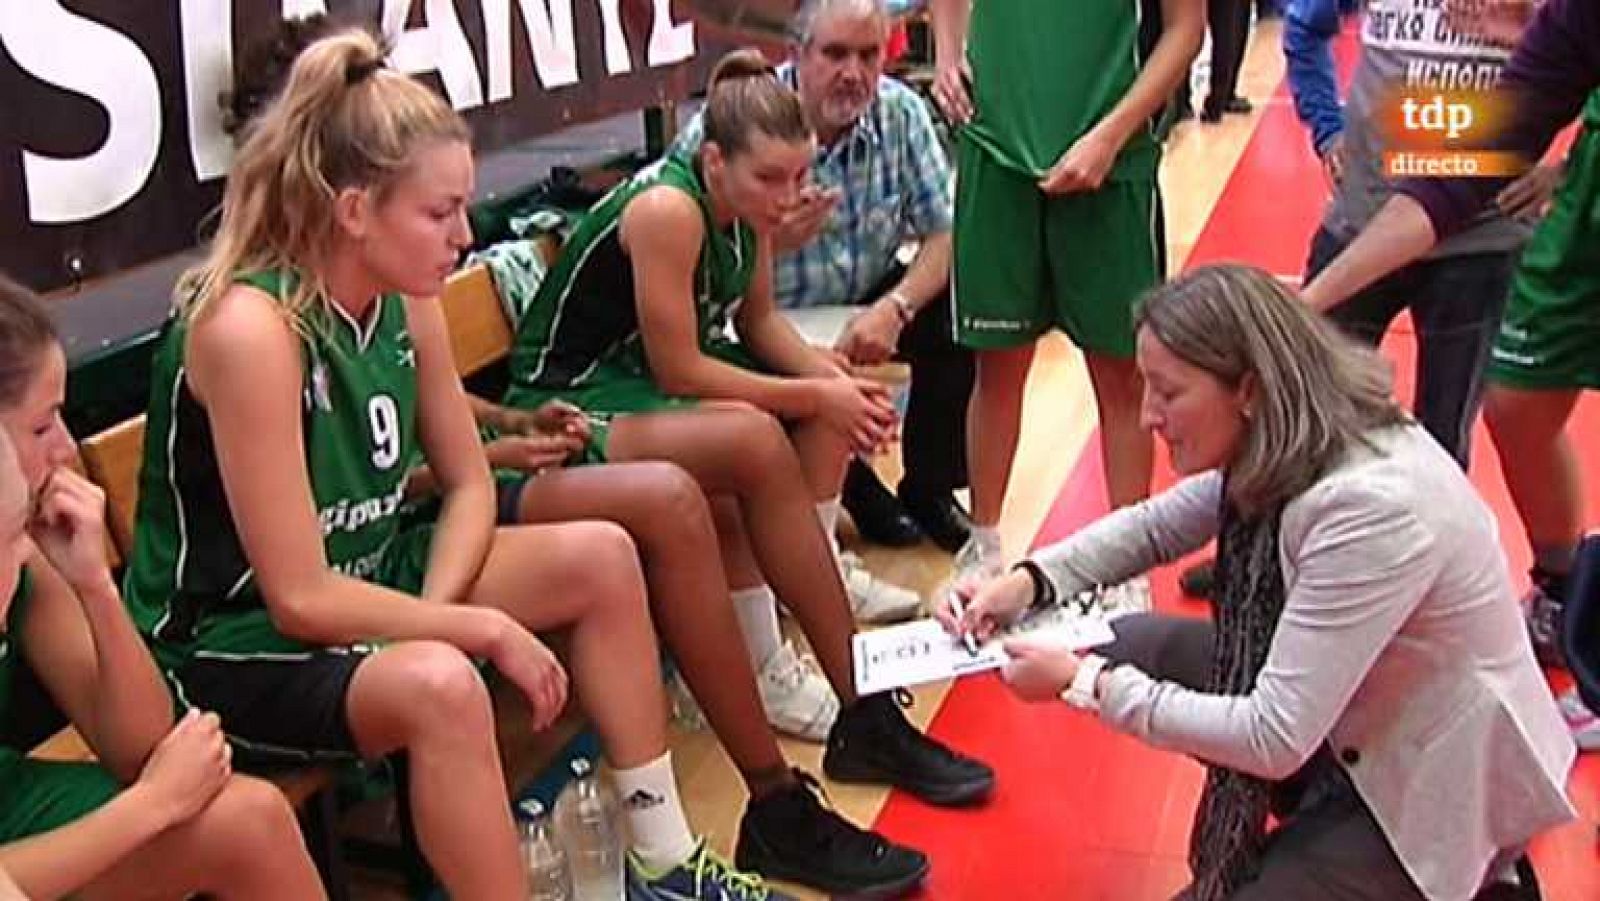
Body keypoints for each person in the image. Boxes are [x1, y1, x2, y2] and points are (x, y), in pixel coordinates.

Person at [121, 29, 779, 901]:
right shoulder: (251, 328)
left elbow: (469, 484)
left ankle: (660, 859)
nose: (465, 237)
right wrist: (469, 629)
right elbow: (301, 596)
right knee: (443, 687)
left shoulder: (401, 296)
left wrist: (431, 613)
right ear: (354, 210)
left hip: (366, 586)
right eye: (441, 213)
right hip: (228, 646)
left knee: (601, 557)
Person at [948, 264, 1575, 900]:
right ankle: (1325, 821)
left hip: (1436, 779)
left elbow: (1272, 736)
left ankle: (1484, 881)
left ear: (1246, 387)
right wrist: (1029, 582)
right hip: (1366, 715)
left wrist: (1084, 683)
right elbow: (1154, 527)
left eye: (1167, 392)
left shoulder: (1369, 509)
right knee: (1131, 639)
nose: (1146, 416)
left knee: (1138, 680)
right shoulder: (1296, 437)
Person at [499, 49, 996, 810]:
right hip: (570, 393)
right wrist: (809, 394)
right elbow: (681, 373)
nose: (788, 195)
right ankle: (847, 690)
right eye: (769, 178)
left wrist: (830, 384)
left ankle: (814, 663)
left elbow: (760, 322)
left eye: (798, 176)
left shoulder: (747, 209)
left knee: (825, 389)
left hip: (638, 382)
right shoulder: (669, 209)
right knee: (756, 434)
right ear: (712, 161)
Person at [0, 274, 326, 900]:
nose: (67, 450)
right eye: (42, 428)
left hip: (14, 800)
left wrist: (94, 583)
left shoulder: (20, 549)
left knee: (248, 819)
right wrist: (148, 806)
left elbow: (142, 748)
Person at [1298, 0, 1596, 671]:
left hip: (1483, 242)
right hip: (1380, 212)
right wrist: (1326, 129)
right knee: (1510, 404)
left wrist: (1565, 165)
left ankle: (1494, 583)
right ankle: (1559, 588)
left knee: (1448, 427)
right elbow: (1466, 165)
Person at [929, 0, 1203, 610]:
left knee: (1123, 375)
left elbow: (1187, 31)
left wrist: (1112, 134)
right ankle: (985, 543)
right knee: (996, 365)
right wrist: (947, 53)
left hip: (1112, 164)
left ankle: (1127, 560)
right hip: (996, 151)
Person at [675, 0, 975, 557]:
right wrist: (764, 241)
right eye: (835, 54)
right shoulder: (733, 121)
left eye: (868, 55)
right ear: (796, 54)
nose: (854, 73)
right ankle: (852, 485)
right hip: (761, 316)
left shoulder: (900, 112)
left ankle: (930, 485)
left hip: (864, 297)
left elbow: (946, 233)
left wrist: (897, 308)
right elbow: (683, 251)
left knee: (965, 303)